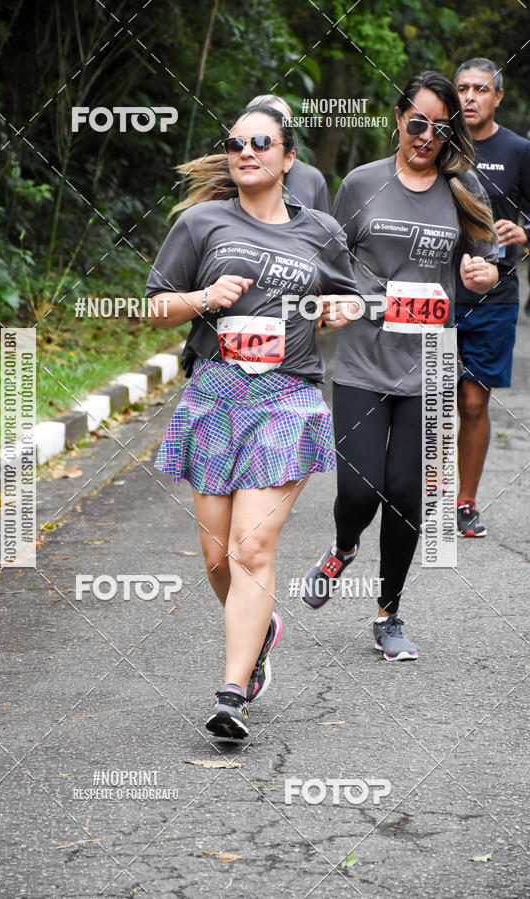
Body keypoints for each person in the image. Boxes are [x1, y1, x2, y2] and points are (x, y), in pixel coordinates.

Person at [146, 105, 359, 739]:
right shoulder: (200, 222)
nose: (246, 150)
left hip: (287, 397)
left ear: (288, 158)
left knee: (250, 548)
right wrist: (204, 299)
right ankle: (262, 628)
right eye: (236, 142)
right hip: (216, 394)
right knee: (216, 559)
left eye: (260, 142)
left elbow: (347, 293)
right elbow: (156, 307)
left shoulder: (319, 230)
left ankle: (232, 693)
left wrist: (335, 309)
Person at [301, 71, 498, 660]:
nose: (428, 137)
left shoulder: (465, 192)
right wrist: (328, 304)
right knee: (361, 489)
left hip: (430, 364)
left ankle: (389, 614)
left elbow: (486, 266)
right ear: (397, 118)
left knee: (408, 495)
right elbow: (328, 262)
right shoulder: (361, 184)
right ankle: (342, 546)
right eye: (418, 123)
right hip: (362, 361)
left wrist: (482, 276)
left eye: (442, 128)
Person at [453, 58, 530, 537]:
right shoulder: (438, 143)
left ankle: (465, 502)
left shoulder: (520, 150)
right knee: (427, 401)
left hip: (495, 297)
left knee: (474, 404)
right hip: (437, 293)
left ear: (497, 97)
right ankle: (419, 495)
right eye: (462, 88)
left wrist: (523, 231)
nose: (470, 97)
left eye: (480, 89)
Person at [247, 94, 332, 212]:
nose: (280, 132)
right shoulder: (238, 171)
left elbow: (324, 228)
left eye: (285, 125)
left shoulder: (312, 179)